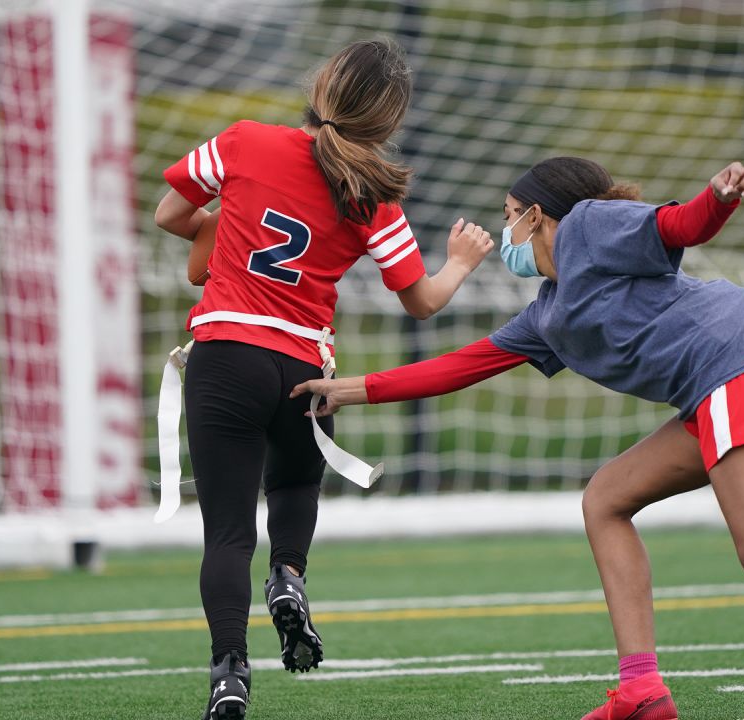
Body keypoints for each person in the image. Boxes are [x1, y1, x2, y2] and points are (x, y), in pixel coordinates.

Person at [291, 157, 744, 720]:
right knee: (606, 499)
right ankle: (642, 691)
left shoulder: (591, 226)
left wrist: (720, 195)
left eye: (508, 219)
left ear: (538, 215)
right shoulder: (548, 315)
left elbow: (681, 224)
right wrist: (349, 389)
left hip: (738, 366)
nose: (503, 235)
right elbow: (459, 368)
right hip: (716, 386)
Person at [154, 37, 494, 720]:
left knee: (225, 533)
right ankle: (290, 576)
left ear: (324, 84)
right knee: (295, 484)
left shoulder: (246, 142)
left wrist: (218, 229)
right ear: (387, 123)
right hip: (307, 371)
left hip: (227, 354)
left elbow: (169, 214)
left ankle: (229, 673)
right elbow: (422, 301)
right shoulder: (372, 194)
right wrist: (461, 260)